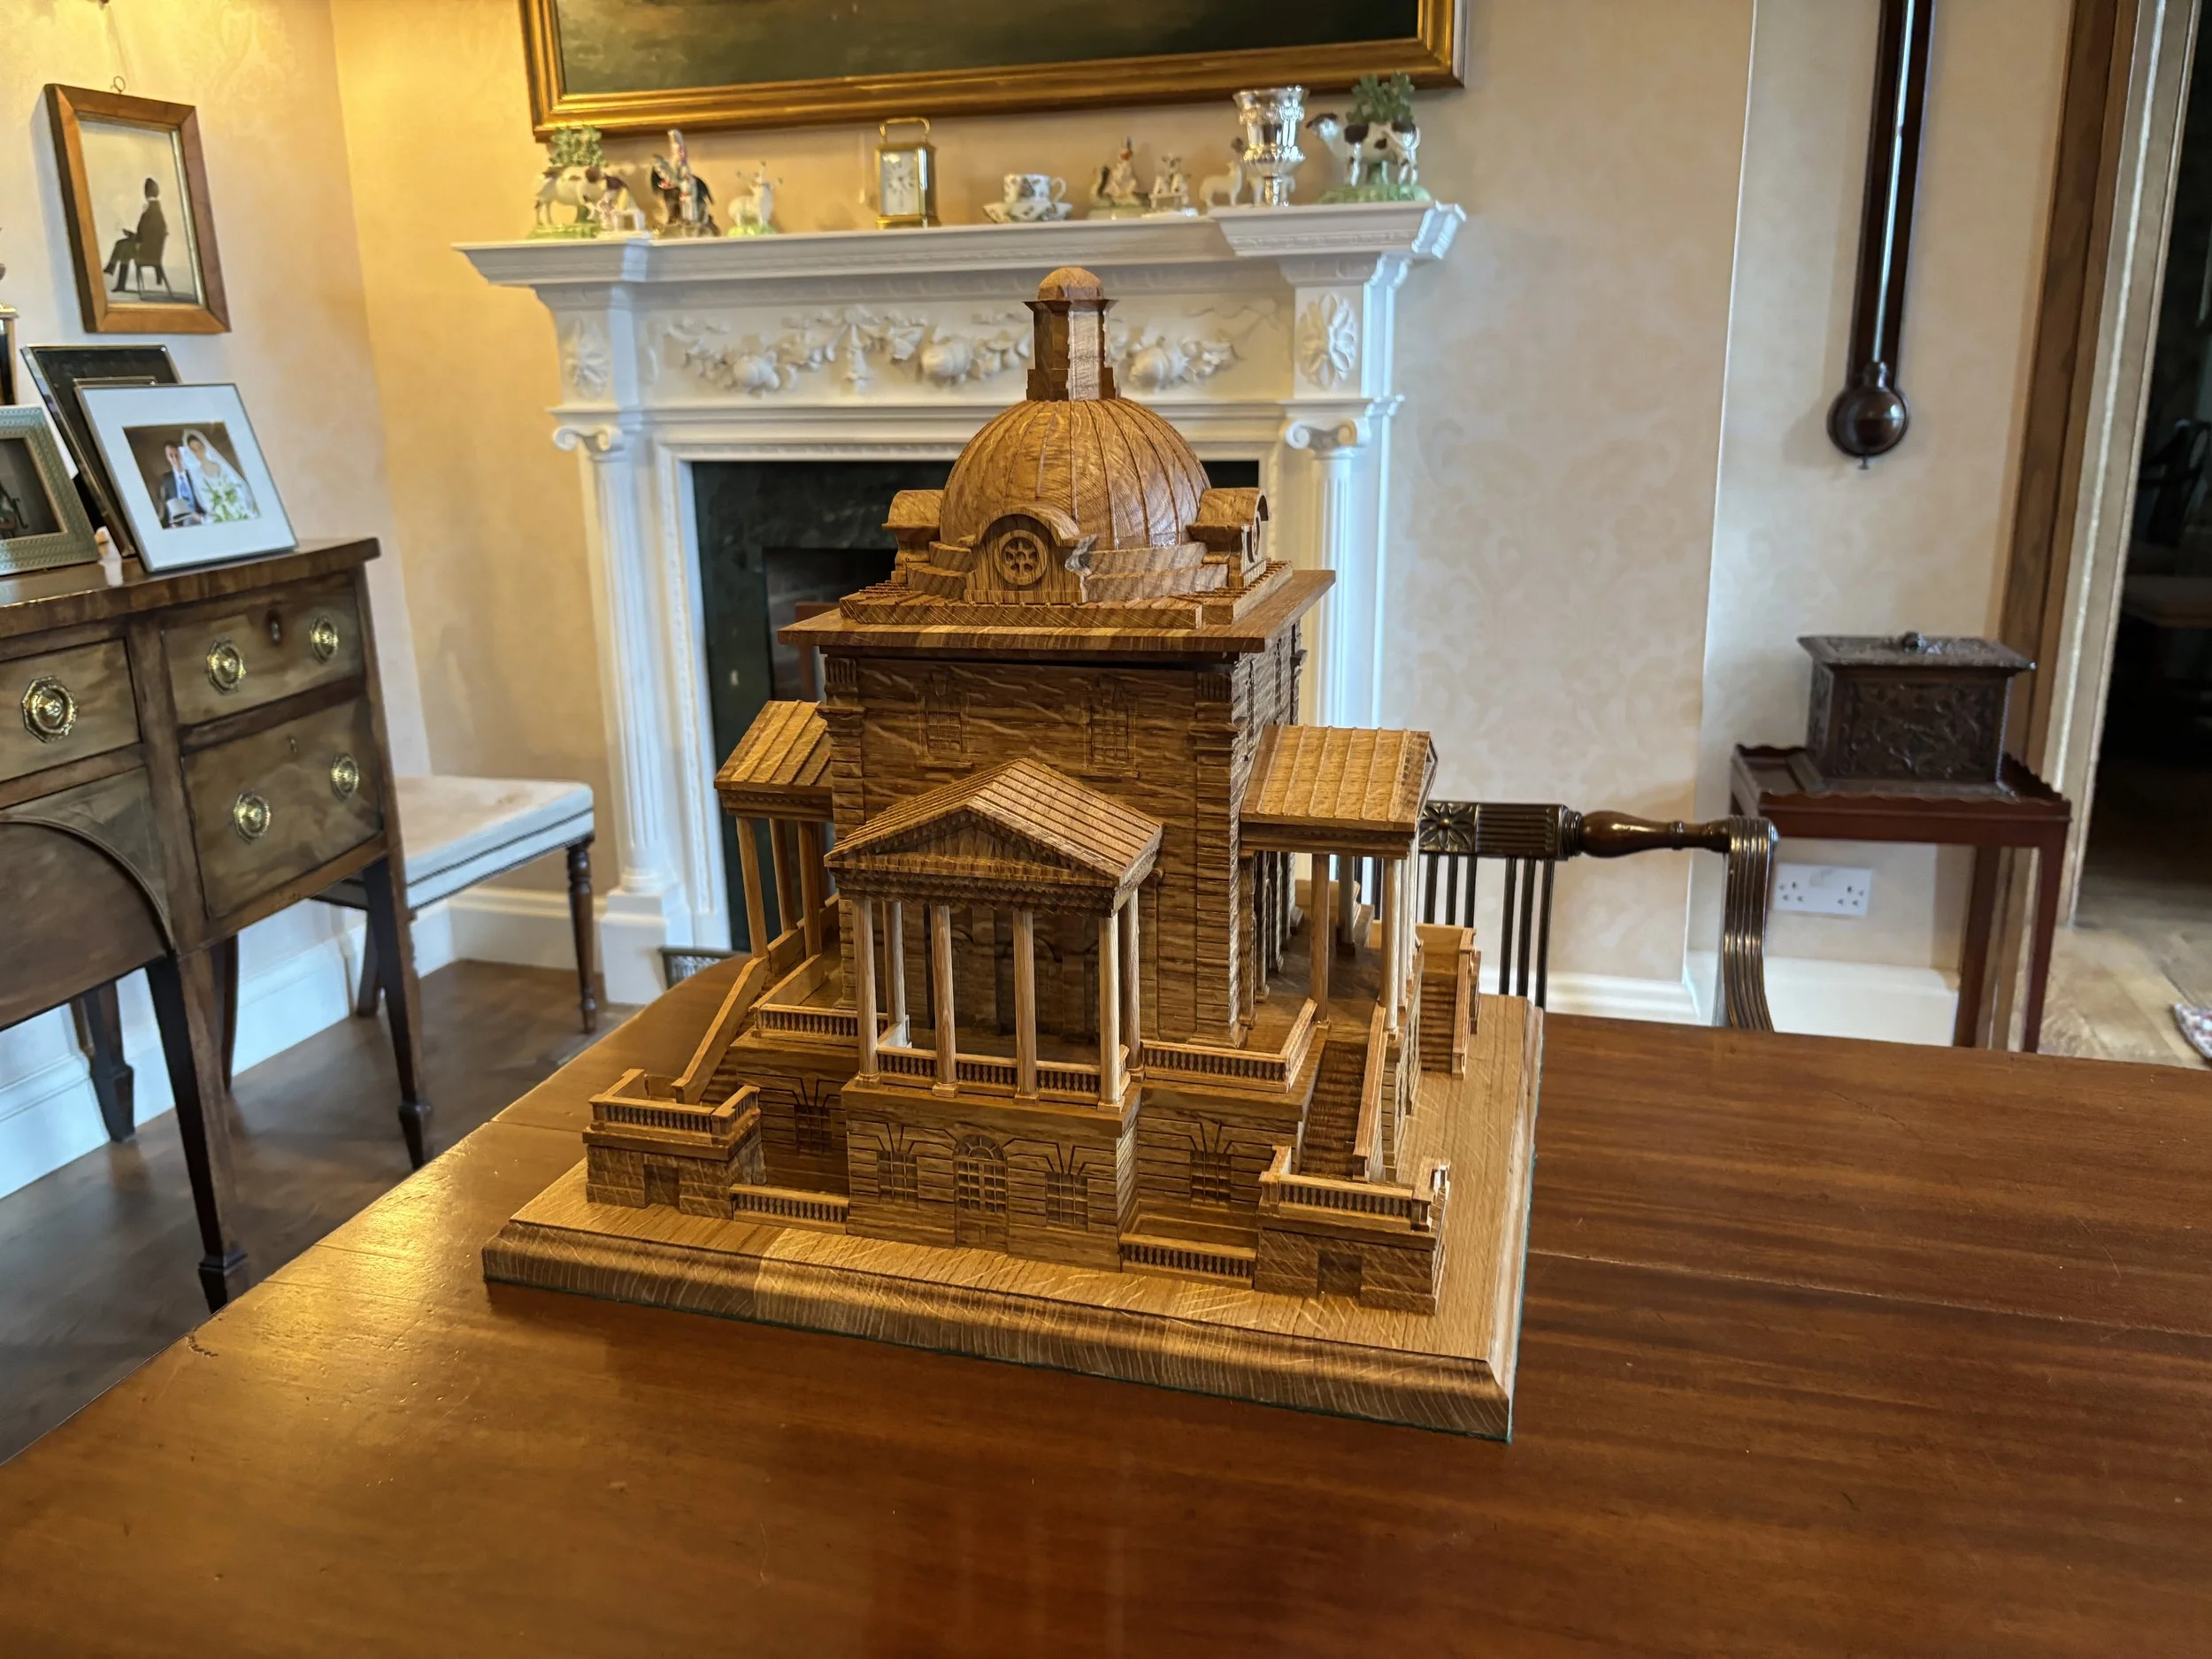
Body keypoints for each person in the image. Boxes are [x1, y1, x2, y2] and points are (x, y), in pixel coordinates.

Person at [102, 179, 169, 296]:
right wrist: (131, 235)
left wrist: (131, 235)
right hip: (149, 248)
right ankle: (115, 275)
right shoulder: (156, 209)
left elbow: (145, 235)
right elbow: (147, 234)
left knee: (122, 246)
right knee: (122, 245)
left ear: (145, 192)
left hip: (146, 251)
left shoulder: (151, 211)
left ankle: (114, 272)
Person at [183, 430, 255, 522]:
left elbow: (239, 486)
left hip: (236, 508)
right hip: (219, 515)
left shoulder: (220, 465)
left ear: (205, 447)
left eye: (199, 447)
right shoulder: (198, 476)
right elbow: (206, 502)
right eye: (194, 450)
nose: (198, 452)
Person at [156, 442, 206, 526]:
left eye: (177, 455)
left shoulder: (193, 474)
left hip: (198, 515)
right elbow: (168, 506)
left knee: (189, 523)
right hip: (179, 520)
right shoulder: (167, 479)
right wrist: (172, 523)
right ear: (167, 458)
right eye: (171, 456)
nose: (175, 459)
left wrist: (201, 516)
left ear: (181, 455)